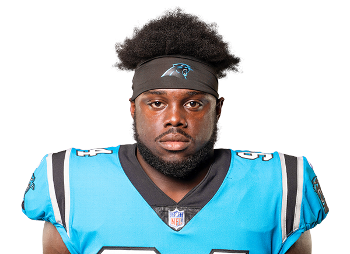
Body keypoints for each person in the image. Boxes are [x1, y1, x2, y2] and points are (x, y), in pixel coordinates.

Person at [21, 8, 328, 254]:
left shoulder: (280, 181)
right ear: (132, 107)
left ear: (218, 109)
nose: (174, 119)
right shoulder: (70, 177)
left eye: (193, 103)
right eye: (156, 103)